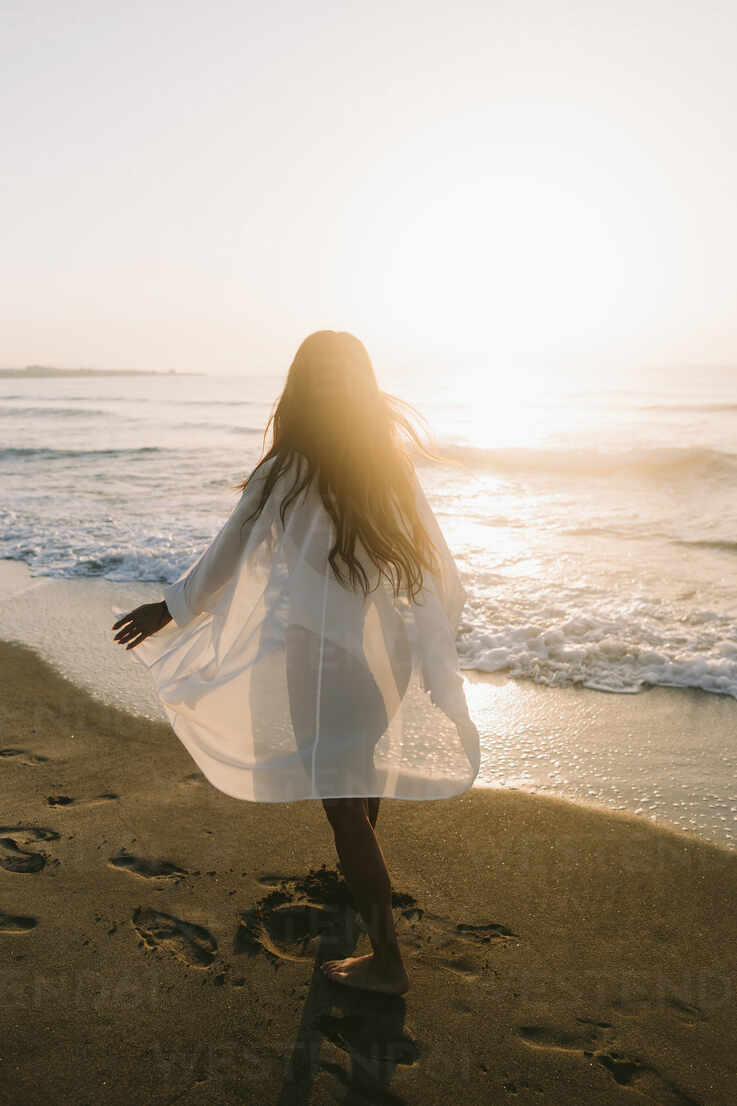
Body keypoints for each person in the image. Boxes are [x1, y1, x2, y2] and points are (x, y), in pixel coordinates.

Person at [111, 330, 480, 995]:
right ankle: (358, 895)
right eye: (324, 374)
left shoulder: (292, 467)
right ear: (308, 384)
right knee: (355, 779)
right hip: (379, 656)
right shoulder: (382, 462)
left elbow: (227, 555)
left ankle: (388, 960)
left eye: (340, 374)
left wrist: (168, 609)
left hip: (324, 659)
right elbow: (435, 572)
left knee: (342, 808)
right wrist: (429, 653)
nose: (332, 385)